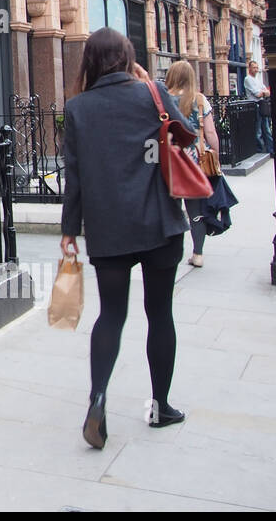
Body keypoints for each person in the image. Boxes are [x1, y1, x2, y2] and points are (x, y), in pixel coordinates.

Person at [61, 28, 196, 450]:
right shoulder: (151, 93)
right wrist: (152, 91)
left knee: (111, 315)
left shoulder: (77, 108)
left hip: (109, 228)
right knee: (160, 313)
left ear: (89, 61)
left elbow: (75, 177)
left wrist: (69, 229)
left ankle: (98, 398)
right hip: (159, 225)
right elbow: (186, 134)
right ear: (127, 57)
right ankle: (161, 406)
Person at [165, 60, 220, 268]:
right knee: (195, 210)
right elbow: (211, 132)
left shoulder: (164, 100)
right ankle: (197, 254)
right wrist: (215, 154)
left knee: (171, 209)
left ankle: (170, 253)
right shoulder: (199, 100)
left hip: (170, 161)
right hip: (194, 162)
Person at [243, 60, 273, 154]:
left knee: (267, 128)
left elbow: (267, 92)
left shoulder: (257, 80)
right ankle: (259, 150)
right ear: (249, 68)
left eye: (257, 67)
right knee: (258, 130)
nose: (256, 70)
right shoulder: (248, 79)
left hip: (262, 105)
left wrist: (263, 92)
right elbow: (258, 94)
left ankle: (270, 149)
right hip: (255, 105)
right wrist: (263, 92)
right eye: (254, 68)